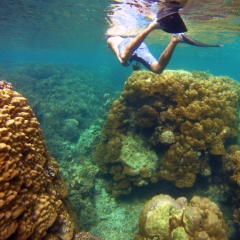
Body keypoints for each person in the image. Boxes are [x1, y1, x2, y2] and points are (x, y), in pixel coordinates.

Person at [107, 14, 222, 74]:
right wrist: (137, 64)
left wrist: (121, 60)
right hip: (139, 48)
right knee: (158, 69)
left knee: (123, 56)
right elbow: (136, 55)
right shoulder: (119, 42)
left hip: (129, 45)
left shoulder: (111, 39)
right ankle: (175, 39)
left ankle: (152, 26)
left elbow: (120, 55)